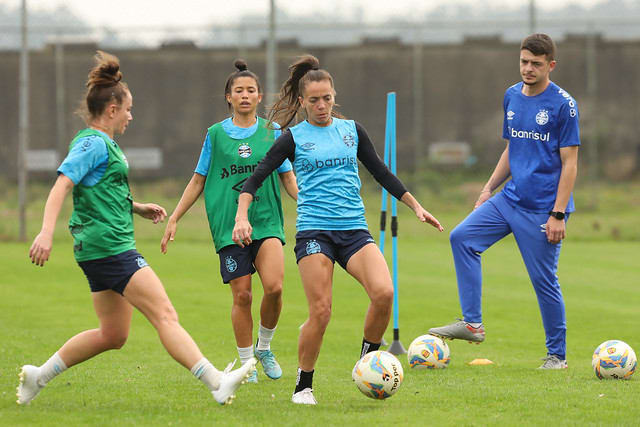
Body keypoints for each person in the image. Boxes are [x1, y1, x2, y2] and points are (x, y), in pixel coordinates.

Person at [18, 51, 255, 407]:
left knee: (113, 334)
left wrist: (136, 207)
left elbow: (99, 188)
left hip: (98, 249)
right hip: (110, 248)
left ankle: (39, 376)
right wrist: (45, 232)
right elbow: (63, 184)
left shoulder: (103, 144)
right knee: (165, 315)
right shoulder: (92, 142)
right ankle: (216, 382)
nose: (131, 115)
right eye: (128, 108)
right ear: (112, 109)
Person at [232, 54, 444, 405]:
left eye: (327, 98)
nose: (321, 105)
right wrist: (243, 215)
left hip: (354, 231)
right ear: (302, 102)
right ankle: (303, 385)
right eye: (313, 100)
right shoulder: (292, 137)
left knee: (384, 293)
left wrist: (416, 206)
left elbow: (381, 172)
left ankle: (367, 361)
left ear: (334, 96)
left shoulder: (351, 130)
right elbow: (255, 180)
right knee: (322, 311)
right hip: (315, 234)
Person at [429, 34, 580, 369]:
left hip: (542, 209)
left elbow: (570, 163)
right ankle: (472, 324)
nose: (528, 68)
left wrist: (558, 213)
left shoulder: (563, 105)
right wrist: (487, 189)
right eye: (524, 61)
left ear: (550, 66)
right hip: (509, 199)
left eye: (536, 64)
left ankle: (557, 356)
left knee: (543, 282)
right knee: (462, 238)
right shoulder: (511, 96)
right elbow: (512, 149)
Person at [161, 59, 298, 384]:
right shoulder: (215, 135)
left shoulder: (273, 132)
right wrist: (175, 217)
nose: (245, 95)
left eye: (251, 90)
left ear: (260, 96)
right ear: (229, 97)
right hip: (228, 227)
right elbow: (198, 181)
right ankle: (247, 362)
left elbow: (288, 178)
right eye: (239, 91)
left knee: (275, 288)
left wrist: (309, 201)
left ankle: (264, 347)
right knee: (243, 296)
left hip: (266, 222)